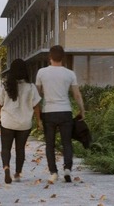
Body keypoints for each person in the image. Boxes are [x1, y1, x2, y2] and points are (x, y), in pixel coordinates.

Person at [35, 44, 85, 183]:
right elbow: (77, 95)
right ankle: (67, 169)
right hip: (65, 112)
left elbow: (37, 96)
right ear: (63, 57)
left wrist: (37, 117)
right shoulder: (70, 73)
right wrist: (82, 110)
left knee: (49, 144)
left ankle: (53, 172)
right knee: (67, 142)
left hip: (49, 112)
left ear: (49, 57)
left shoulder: (41, 72)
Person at [0, 57, 41, 184]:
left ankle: (6, 168)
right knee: (20, 149)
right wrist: (39, 122)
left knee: (5, 148)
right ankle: (18, 173)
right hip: (24, 124)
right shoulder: (31, 87)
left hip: (7, 122)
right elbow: (36, 106)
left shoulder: (5, 86)